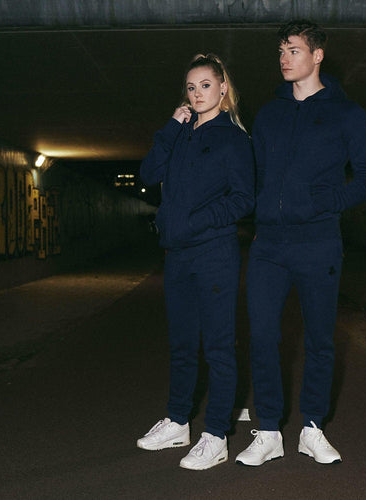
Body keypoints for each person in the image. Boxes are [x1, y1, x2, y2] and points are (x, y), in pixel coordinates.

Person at [235, 20, 366, 466]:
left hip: (319, 243)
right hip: (268, 246)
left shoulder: (347, 114)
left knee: (319, 339)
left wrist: (325, 202)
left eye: (294, 50)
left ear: (317, 56)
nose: (284, 58)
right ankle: (268, 432)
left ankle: (312, 428)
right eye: (281, 50)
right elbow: (256, 174)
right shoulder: (268, 114)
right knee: (262, 337)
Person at [138, 53, 254, 470]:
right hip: (177, 256)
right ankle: (177, 422)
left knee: (218, 348)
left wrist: (196, 222)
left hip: (214, 253)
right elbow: (148, 174)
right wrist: (171, 127)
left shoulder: (233, 139)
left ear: (222, 88)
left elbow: (243, 199)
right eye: (191, 87)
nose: (198, 93)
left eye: (205, 85)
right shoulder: (180, 135)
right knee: (182, 345)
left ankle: (216, 435)